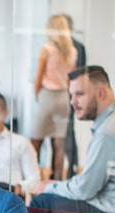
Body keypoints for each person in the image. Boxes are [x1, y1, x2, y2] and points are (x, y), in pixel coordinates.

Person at [31, 66, 115, 213]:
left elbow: (85, 190)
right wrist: (57, 186)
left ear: (101, 93)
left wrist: (50, 187)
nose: (73, 102)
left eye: (79, 94)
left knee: (41, 202)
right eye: (71, 95)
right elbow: (89, 182)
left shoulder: (108, 133)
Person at [31, 14, 85, 180]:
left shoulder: (47, 49)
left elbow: (38, 79)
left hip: (48, 96)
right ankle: (57, 179)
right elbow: (73, 78)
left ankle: (33, 176)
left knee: (36, 140)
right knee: (59, 142)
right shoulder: (72, 52)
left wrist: (38, 96)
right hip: (64, 97)